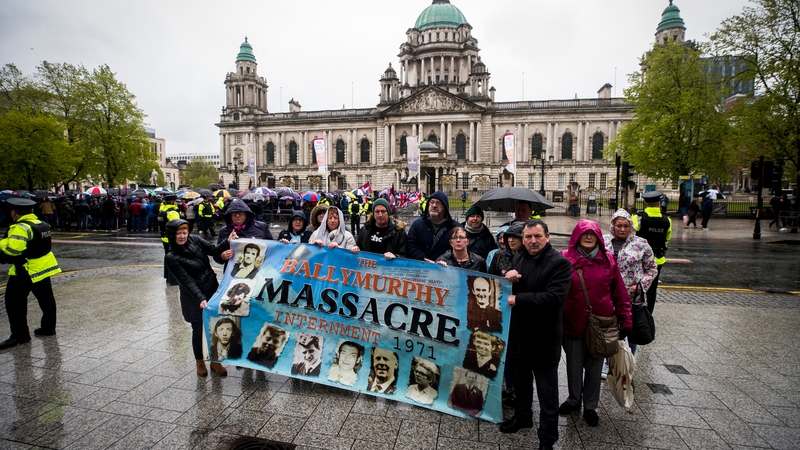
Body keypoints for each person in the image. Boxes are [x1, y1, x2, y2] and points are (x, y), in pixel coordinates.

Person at [499, 219, 571, 447]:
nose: (532, 241)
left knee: (547, 394)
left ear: (547, 237)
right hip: (519, 335)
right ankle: (523, 417)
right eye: (528, 237)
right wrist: (510, 278)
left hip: (543, 338)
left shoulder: (559, 263)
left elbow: (554, 298)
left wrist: (518, 298)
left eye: (537, 236)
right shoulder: (519, 256)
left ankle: (547, 438)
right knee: (522, 385)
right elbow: (517, 286)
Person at [559, 219, 632, 428]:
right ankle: (574, 399)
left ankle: (591, 406)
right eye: (584, 233)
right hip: (572, 323)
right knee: (573, 366)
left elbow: (620, 294)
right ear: (577, 236)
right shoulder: (565, 258)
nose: (589, 237)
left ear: (598, 237)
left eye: (592, 233)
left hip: (601, 325)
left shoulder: (608, 260)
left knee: (594, 367)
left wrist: (626, 319)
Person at [164, 219, 231, 376]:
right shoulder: (171, 257)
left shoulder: (195, 240)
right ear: (171, 235)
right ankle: (199, 362)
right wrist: (200, 298)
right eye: (178, 233)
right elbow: (186, 281)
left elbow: (213, 250)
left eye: (184, 232)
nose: (182, 236)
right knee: (198, 329)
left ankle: (215, 361)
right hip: (192, 297)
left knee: (215, 326)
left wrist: (227, 242)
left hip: (211, 289)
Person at [0, 198, 61, 349]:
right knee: (46, 299)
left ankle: (20, 335)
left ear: (15, 212)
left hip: (25, 269)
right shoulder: (43, 224)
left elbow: (13, 251)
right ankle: (48, 328)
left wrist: (2, 244)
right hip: (43, 267)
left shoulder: (20, 228)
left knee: (14, 302)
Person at [603, 209, 657, 356]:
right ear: (613, 225)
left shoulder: (641, 244)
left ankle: (629, 360)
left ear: (631, 226)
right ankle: (610, 362)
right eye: (619, 225)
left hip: (632, 296)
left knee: (632, 330)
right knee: (610, 330)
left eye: (626, 226)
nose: (622, 229)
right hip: (607, 295)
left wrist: (641, 286)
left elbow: (651, 269)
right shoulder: (603, 241)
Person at [633, 190, 671, 315]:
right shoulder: (667, 220)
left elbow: (631, 236)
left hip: (639, 259)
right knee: (652, 288)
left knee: (637, 285)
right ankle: (648, 313)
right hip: (657, 259)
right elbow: (667, 238)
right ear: (659, 203)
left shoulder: (638, 218)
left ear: (644, 202)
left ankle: (636, 310)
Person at [407, 191, 462, 261]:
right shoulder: (417, 224)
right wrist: (425, 260)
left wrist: (441, 262)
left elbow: (459, 249)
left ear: (445, 207)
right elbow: (411, 246)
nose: (434, 205)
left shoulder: (455, 227)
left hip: (445, 268)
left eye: (438, 203)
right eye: (432, 202)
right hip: (421, 267)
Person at [158, 195, 181, 285]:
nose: (177, 202)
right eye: (176, 201)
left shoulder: (162, 210)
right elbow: (178, 226)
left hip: (165, 237)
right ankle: (173, 279)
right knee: (174, 259)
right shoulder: (172, 212)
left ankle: (168, 277)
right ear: (172, 201)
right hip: (172, 239)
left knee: (167, 257)